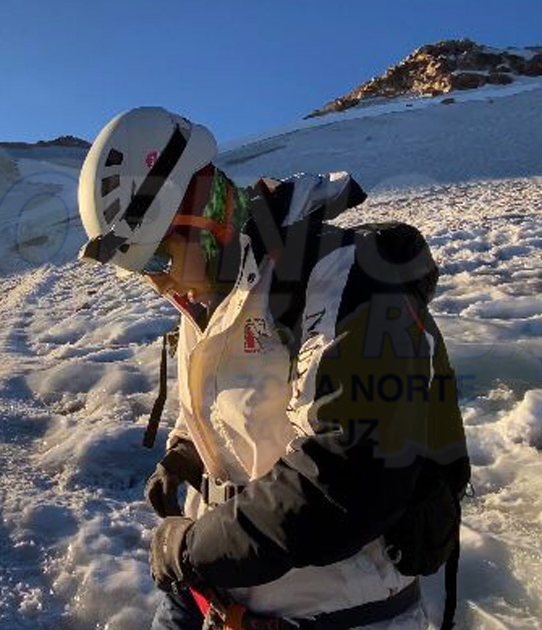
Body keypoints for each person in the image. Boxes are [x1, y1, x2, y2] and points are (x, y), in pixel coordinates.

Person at [77, 106, 469, 630]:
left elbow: (343, 483)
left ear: (203, 209)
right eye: (138, 270)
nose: (158, 284)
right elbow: (230, 393)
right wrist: (186, 451)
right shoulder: (214, 293)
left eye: (156, 259)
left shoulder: (345, 283)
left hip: (335, 613)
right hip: (211, 592)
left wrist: (189, 549)